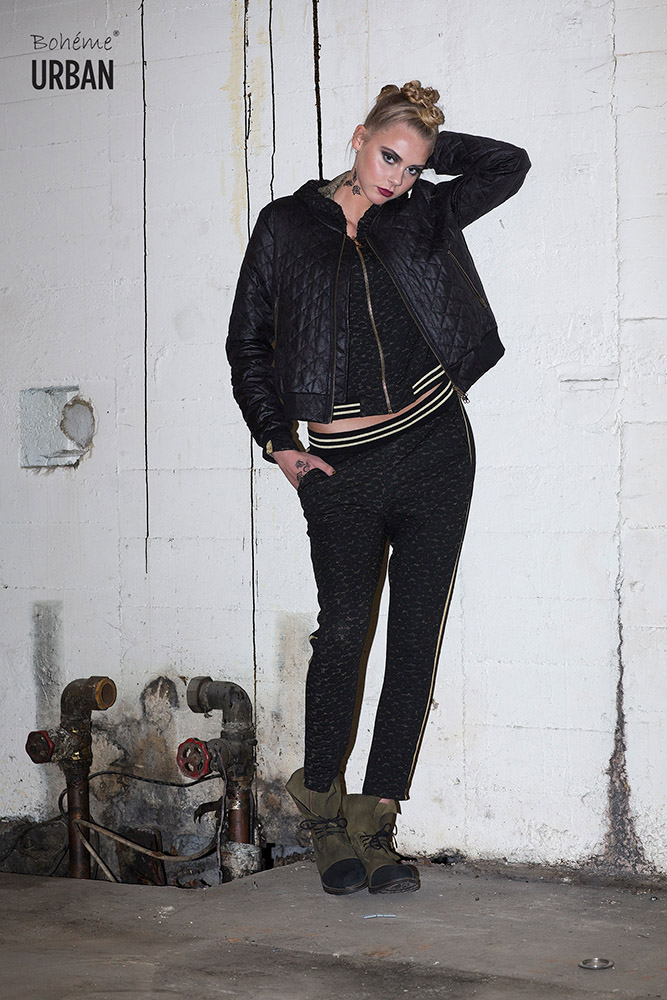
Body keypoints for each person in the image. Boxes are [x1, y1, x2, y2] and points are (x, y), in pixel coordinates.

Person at [226, 81, 530, 896]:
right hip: (341, 466)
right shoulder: (286, 226)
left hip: (435, 449)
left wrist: (429, 142)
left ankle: (376, 822)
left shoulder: (420, 212)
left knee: (413, 639)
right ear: (357, 137)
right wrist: (278, 443)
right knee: (344, 633)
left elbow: (508, 165)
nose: (397, 177)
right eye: (387, 155)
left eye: (412, 166)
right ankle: (324, 813)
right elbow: (247, 342)